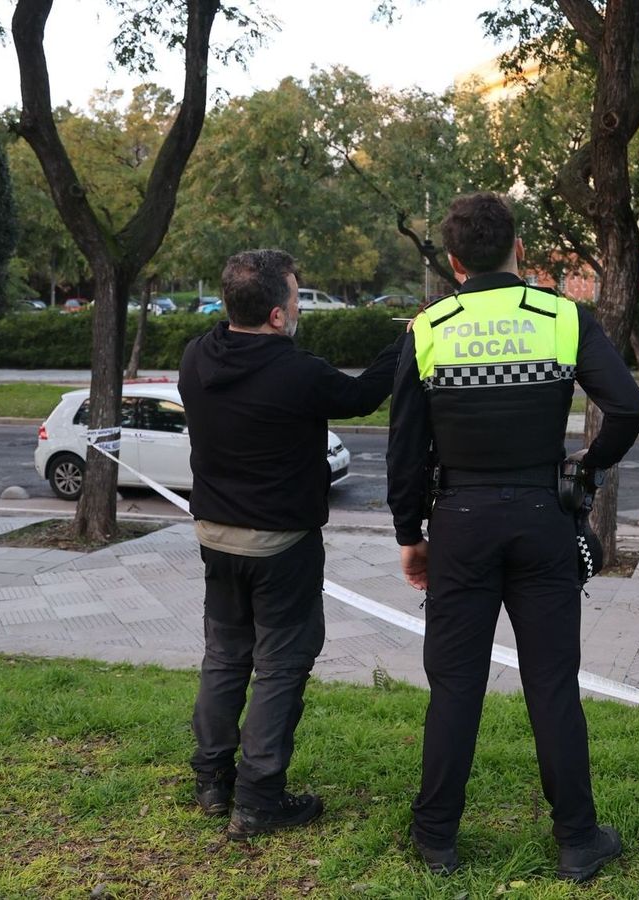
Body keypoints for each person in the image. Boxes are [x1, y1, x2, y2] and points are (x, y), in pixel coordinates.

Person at [387, 192, 639, 881]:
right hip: (542, 519)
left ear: (452, 260)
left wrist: (409, 533)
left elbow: (404, 446)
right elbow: (627, 405)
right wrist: (586, 467)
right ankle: (577, 840)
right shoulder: (562, 318)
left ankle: (436, 839)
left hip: (460, 522)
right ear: (520, 249)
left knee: (455, 687)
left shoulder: (431, 326)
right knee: (553, 685)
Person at [179, 248, 402, 840]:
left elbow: (229, 333)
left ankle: (211, 782)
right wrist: (406, 345)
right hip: (281, 548)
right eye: (297, 299)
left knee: (225, 656)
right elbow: (360, 398)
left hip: (215, 539)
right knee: (279, 667)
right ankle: (258, 800)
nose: (299, 308)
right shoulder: (298, 372)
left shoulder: (197, 355)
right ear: (278, 316)